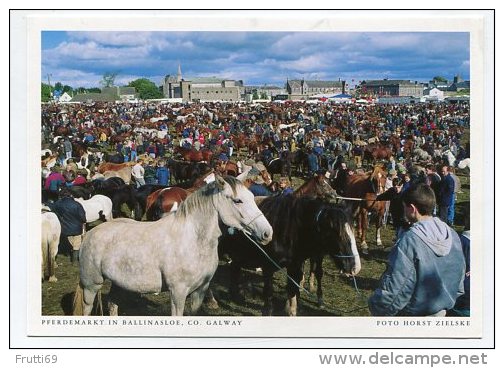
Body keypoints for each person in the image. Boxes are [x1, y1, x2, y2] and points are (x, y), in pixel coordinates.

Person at [368, 183, 465, 316]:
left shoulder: (409, 240)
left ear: (412, 208)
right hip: (442, 313)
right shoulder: (453, 234)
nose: (404, 211)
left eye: (404, 207)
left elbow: (397, 289)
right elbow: (459, 280)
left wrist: (377, 307)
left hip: (412, 318)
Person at [47, 190, 87, 263]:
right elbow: (83, 218)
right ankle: (74, 260)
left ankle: (67, 253)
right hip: (76, 228)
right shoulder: (77, 204)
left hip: (63, 228)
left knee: (66, 242)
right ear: (71, 196)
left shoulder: (57, 204)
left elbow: (53, 212)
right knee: (76, 244)